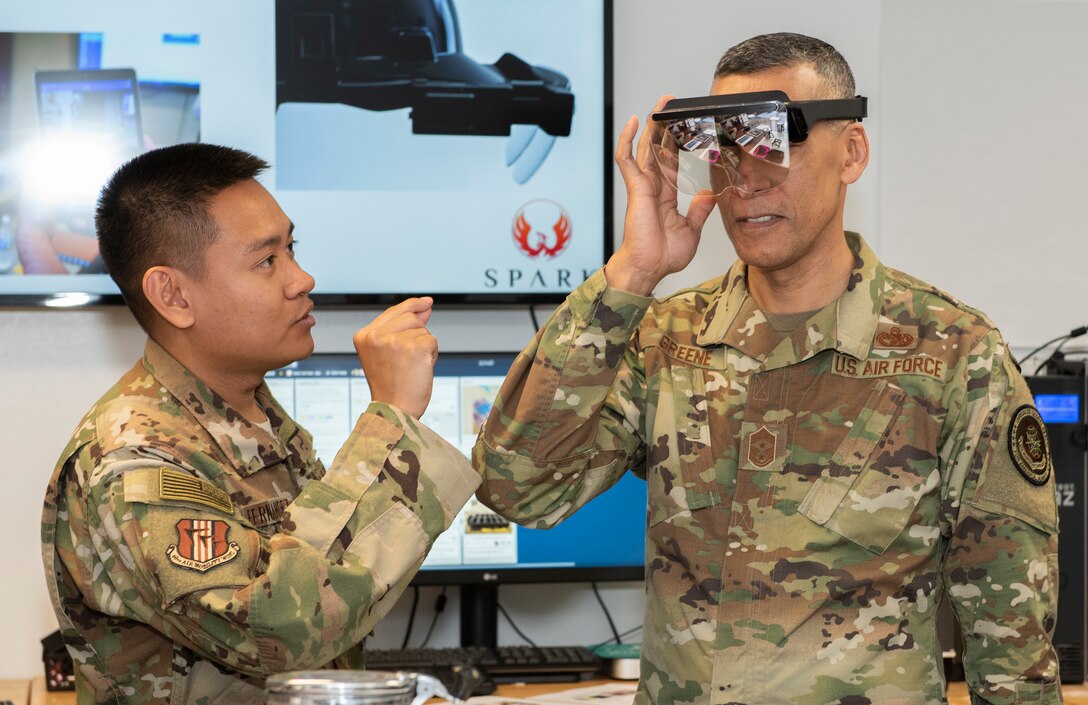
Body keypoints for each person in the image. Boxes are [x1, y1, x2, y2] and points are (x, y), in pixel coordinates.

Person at [473, 33, 1060, 705]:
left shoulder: (952, 354)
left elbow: (1009, 640)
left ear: (852, 152)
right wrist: (630, 274)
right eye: (724, 145)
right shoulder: (666, 342)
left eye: (776, 138)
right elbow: (514, 487)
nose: (745, 175)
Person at [41, 143, 482, 705]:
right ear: (173, 295)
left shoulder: (255, 420)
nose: (302, 278)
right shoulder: (135, 459)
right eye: (266, 260)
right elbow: (281, 631)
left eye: (291, 248)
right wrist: (390, 420)